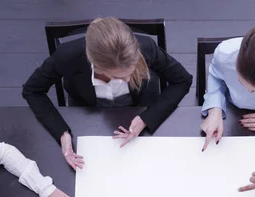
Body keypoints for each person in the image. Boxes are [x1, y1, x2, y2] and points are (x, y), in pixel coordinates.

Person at [23, 17, 193, 169]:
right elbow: (32, 91)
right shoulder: (66, 56)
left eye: (132, 71)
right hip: (86, 111)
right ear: (95, 65)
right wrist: (62, 133)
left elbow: (182, 80)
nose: (127, 80)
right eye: (117, 76)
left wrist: (146, 118)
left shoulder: (147, 48)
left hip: (139, 107)